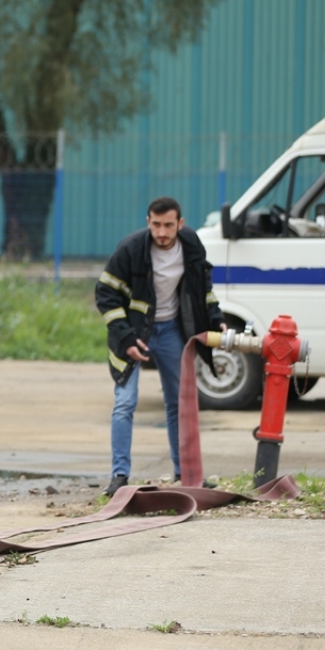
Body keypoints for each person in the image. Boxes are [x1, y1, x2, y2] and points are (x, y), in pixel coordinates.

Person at [96, 197, 225, 497]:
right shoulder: (131, 249)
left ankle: (187, 473)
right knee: (125, 403)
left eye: (169, 225)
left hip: (171, 332)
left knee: (179, 404)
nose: (162, 232)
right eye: (156, 225)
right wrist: (125, 337)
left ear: (180, 224)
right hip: (134, 332)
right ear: (148, 222)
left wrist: (215, 318)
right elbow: (105, 293)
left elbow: (203, 288)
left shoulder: (191, 245)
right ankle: (119, 476)